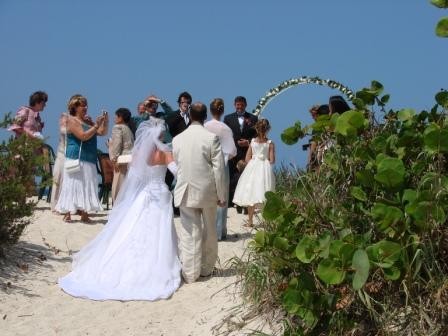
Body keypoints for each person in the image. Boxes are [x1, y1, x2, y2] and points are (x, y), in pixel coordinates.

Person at [58, 118, 181, 301]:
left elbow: (135, 177)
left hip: (143, 194)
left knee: (132, 228)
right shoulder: (165, 152)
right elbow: (176, 172)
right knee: (159, 230)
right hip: (160, 194)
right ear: (161, 135)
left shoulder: (139, 153)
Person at [172, 102, 226, 283]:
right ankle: (206, 269)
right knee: (210, 230)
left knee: (189, 233)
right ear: (204, 117)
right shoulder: (211, 138)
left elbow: (179, 165)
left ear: (190, 115)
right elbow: (219, 170)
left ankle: (190, 273)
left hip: (185, 189)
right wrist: (222, 195)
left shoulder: (177, 139)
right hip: (207, 191)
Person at [55, 95, 107, 223]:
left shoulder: (86, 121)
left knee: (87, 184)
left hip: (88, 157)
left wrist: (105, 121)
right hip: (76, 157)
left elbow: (102, 133)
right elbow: (82, 136)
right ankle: (67, 213)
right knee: (72, 184)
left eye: (86, 104)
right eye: (82, 105)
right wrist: (96, 126)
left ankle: (84, 213)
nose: (85, 107)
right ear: (75, 107)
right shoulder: (71, 120)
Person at [233, 119, 275, 227]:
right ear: (268, 129)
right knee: (265, 192)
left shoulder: (252, 142)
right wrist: (264, 161)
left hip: (253, 168)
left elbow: (247, 158)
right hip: (264, 168)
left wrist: (253, 162)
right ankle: (266, 221)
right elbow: (272, 160)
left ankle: (250, 221)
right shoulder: (270, 143)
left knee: (250, 192)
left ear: (256, 128)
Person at [204, 98, 237, 241]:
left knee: (208, 197)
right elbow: (233, 151)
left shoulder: (205, 126)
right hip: (222, 164)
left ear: (210, 111)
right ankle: (220, 231)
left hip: (206, 163)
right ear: (222, 111)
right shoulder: (226, 128)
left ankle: (209, 231)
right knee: (222, 196)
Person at [223, 96, 258, 213]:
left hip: (248, 153)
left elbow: (256, 135)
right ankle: (233, 202)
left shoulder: (253, 118)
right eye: (238, 105)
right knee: (233, 178)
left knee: (247, 179)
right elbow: (225, 135)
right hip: (233, 153)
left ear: (246, 105)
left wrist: (248, 142)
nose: (240, 107)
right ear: (234, 105)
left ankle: (246, 202)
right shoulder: (228, 118)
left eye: (242, 105)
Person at [108, 108, 135, 203]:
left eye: (117, 116)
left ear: (121, 117)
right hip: (129, 160)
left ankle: (117, 209)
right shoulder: (129, 129)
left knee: (117, 188)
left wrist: (114, 159)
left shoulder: (117, 127)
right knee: (126, 187)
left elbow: (117, 144)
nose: (115, 118)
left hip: (121, 161)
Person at [50, 111, 70, 212]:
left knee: (64, 180)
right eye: (62, 118)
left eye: (65, 118)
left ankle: (61, 205)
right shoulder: (64, 129)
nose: (63, 120)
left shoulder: (69, 128)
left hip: (68, 156)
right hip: (61, 155)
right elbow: (64, 131)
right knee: (57, 178)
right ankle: (54, 204)